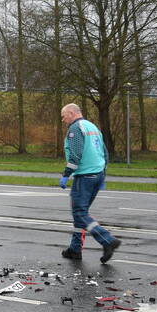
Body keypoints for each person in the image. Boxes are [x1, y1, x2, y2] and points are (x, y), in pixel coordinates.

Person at [58, 103, 120, 263]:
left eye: (64, 116)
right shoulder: (92, 127)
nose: (63, 120)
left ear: (71, 113)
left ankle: (107, 240)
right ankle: (75, 249)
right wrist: (102, 176)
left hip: (84, 177)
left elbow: (76, 155)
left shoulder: (75, 129)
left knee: (79, 213)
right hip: (97, 174)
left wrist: (66, 174)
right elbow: (105, 153)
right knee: (81, 214)